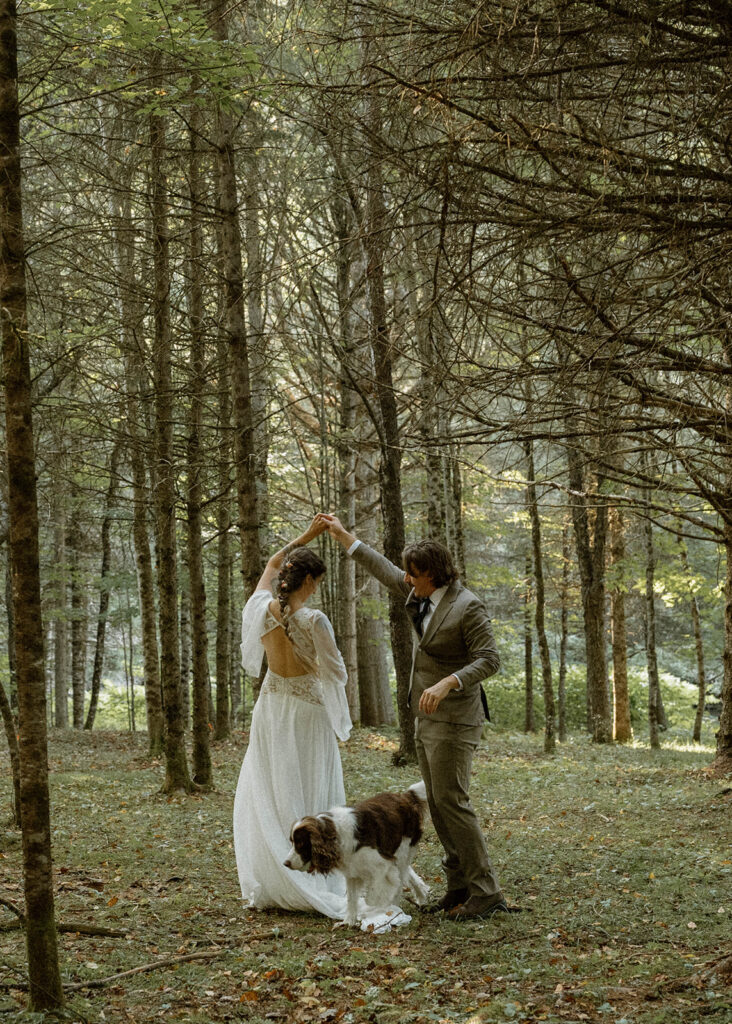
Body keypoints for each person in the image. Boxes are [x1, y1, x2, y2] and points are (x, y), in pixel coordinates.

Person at [318, 513, 509, 920]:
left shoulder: (467, 607)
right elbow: (383, 568)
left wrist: (448, 683)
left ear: (434, 575)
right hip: (425, 718)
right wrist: (342, 535)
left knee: (453, 803)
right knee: (437, 806)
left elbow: (490, 659)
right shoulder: (417, 592)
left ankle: (486, 891)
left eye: (414, 574)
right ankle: (458, 888)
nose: (406, 578)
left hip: (455, 717)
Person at [233, 518, 352, 917]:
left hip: (271, 707)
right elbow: (336, 673)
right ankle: (314, 870)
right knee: (310, 786)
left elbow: (271, 563)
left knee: (273, 785)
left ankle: (276, 874)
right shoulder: (314, 620)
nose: (317, 587)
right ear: (310, 582)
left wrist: (305, 538)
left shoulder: (259, 610)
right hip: (307, 712)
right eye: (316, 581)